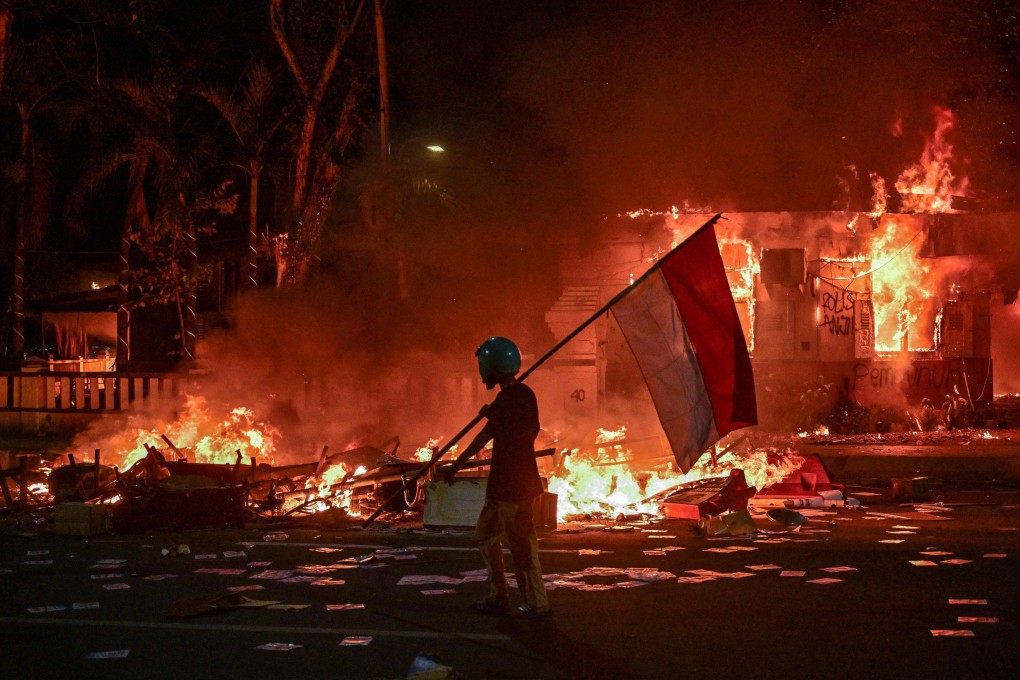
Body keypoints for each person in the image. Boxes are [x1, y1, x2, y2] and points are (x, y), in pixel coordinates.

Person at [443, 336, 550, 619]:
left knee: (521, 545)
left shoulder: (507, 401)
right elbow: (531, 430)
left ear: (492, 366)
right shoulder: (525, 396)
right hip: (510, 484)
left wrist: (457, 465)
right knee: (486, 536)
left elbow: (483, 438)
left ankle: (537, 603)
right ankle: (497, 596)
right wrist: (496, 416)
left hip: (511, 488)